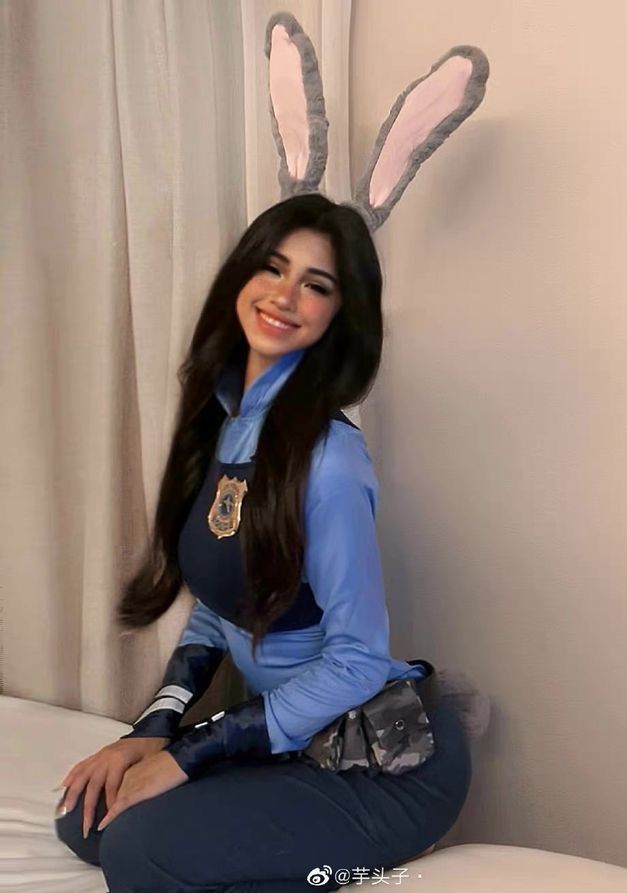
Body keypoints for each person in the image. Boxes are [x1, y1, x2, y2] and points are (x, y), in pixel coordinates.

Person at [54, 193, 473, 893]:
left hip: (381, 763)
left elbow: (359, 658)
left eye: (317, 284)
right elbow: (221, 607)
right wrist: (152, 730)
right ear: (241, 276)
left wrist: (193, 755)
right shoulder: (221, 423)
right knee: (87, 817)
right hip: (295, 745)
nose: (285, 295)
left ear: (342, 314)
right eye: (273, 268)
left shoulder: (330, 458)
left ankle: (364, 850)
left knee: (137, 852)